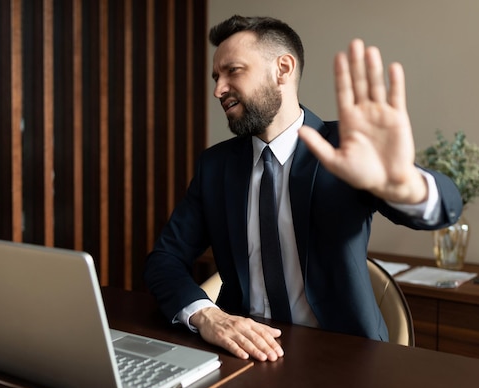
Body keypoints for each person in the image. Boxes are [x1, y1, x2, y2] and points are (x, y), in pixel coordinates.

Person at [144, 15, 462, 362]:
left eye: (232, 71)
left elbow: (446, 205)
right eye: (216, 77)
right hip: (245, 356)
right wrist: (207, 316)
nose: (218, 89)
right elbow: (165, 259)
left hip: (346, 360)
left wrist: (407, 186)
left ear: (282, 69)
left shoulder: (346, 147)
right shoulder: (214, 166)